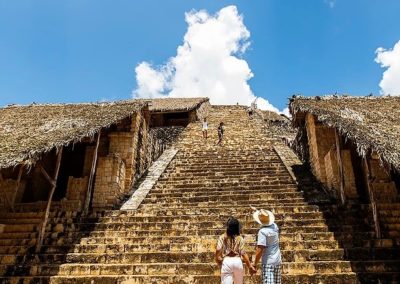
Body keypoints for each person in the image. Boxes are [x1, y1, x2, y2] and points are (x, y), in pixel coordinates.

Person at [215, 217, 256, 284]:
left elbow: (218, 249)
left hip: (227, 260)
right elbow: (243, 253)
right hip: (237, 261)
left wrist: (217, 259)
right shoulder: (240, 238)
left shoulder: (222, 237)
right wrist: (249, 266)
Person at [251, 208, 282, 284]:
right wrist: (256, 211)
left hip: (268, 262)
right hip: (277, 260)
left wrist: (254, 264)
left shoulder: (262, 232)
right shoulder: (275, 226)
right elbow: (264, 216)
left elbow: (260, 249)